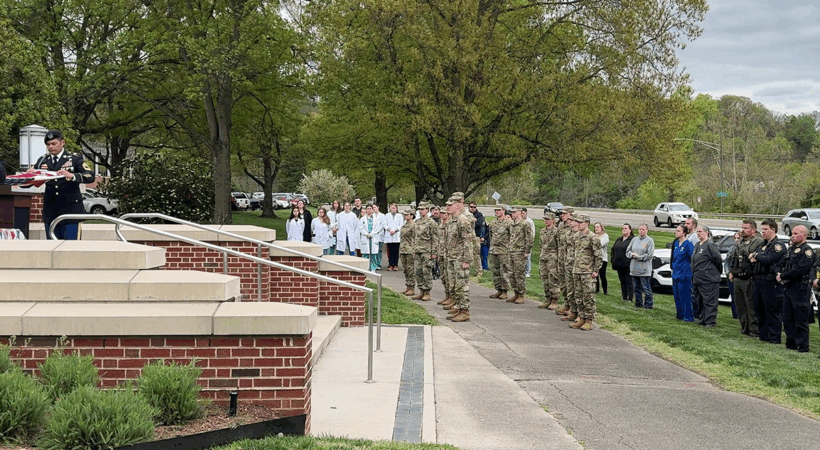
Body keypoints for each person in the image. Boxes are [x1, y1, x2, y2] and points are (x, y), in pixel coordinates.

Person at [27, 129, 94, 240]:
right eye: (48, 144)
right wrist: (29, 176)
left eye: (54, 143)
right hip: (51, 211)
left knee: (70, 247)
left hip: (70, 210)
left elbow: (90, 176)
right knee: (52, 246)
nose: (51, 147)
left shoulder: (74, 159)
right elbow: (29, 183)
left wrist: (72, 176)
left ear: (62, 143)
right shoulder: (42, 160)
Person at [750, 219, 787, 344]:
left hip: (771, 282)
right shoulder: (763, 244)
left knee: (772, 310)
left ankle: (774, 337)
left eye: (766, 229)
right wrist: (757, 255)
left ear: (773, 229)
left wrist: (756, 256)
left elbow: (768, 259)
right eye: (763, 229)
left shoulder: (778, 245)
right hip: (759, 281)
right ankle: (764, 334)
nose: (763, 232)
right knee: (759, 308)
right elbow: (755, 255)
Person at [779, 225, 814, 352]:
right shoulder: (791, 249)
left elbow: (800, 269)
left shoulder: (807, 251)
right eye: (792, 233)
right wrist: (780, 273)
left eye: (795, 233)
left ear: (804, 235)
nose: (792, 235)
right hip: (788, 287)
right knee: (788, 317)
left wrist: (783, 275)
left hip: (800, 288)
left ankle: (803, 345)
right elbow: (784, 264)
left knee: (800, 317)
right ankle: (791, 342)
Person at [729, 220, 764, 337]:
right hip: (738, 276)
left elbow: (753, 258)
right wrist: (731, 271)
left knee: (751, 305)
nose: (743, 230)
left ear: (753, 230)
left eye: (746, 228)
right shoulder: (739, 242)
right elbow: (733, 257)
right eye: (742, 227)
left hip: (749, 278)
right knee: (740, 305)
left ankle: (754, 330)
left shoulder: (758, 241)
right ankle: (744, 328)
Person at [444, 198, 474, 321]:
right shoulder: (452, 221)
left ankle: (465, 311)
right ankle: (459, 307)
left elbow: (468, 241)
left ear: (457, 206)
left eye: (450, 205)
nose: (447, 207)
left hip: (460, 258)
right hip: (452, 257)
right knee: (455, 285)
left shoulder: (463, 221)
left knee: (462, 285)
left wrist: (466, 260)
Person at [571, 213, 602, 331]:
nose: (577, 224)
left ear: (587, 224)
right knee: (578, 296)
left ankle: (589, 320)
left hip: (587, 272)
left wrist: (595, 270)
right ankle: (582, 318)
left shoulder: (593, 238)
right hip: (577, 270)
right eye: (577, 222)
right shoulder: (576, 236)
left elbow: (598, 255)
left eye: (580, 222)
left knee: (588, 296)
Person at [692, 225, 721, 327]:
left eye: (700, 231)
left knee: (709, 301)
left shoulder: (710, 245)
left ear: (707, 232)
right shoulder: (697, 245)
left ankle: (710, 321)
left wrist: (712, 272)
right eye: (697, 232)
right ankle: (702, 319)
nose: (698, 234)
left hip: (708, 279)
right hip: (697, 278)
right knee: (699, 300)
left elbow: (717, 260)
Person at [507, 207, 533, 304]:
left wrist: (527, 251)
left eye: (514, 212)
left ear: (519, 213)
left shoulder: (525, 224)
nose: (512, 214)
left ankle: (521, 294)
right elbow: (510, 236)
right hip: (511, 251)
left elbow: (529, 238)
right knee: (511, 274)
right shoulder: (511, 224)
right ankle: (516, 293)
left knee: (519, 274)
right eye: (512, 212)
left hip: (520, 252)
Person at [626, 224, 655, 309]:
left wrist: (639, 257)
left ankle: (648, 305)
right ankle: (638, 303)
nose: (641, 231)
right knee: (636, 288)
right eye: (640, 229)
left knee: (646, 288)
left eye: (643, 229)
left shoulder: (649, 241)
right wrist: (632, 255)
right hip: (634, 268)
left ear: (647, 230)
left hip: (644, 269)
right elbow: (628, 251)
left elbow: (649, 255)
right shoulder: (634, 240)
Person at [412, 202, 436, 301]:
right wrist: (413, 248)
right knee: (418, 271)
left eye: (422, 209)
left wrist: (434, 252)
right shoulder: (417, 222)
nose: (421, 211)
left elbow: (435, 238)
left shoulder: (431, 222)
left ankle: (427, 292)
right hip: (418, 250)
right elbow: (414, 236)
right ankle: (421, 290)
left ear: (427, 210)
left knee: (426, 271)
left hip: (427, 250)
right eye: (419, 209)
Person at [671, 225, 695, 322]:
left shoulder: (688, 244)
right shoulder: (676, 243)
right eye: (676, 230)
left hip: (684, 274)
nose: (676, 232)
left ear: (684, 233)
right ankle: (679, 314)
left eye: (678, 231)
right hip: (676, 273)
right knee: (677, 296)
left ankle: (688, 316)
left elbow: (692, 258)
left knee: (685, 296)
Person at [488, 205, 511, 300]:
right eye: (496, 210)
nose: (497, 212)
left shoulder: (508, 223)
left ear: (504, 211)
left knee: (504, 271)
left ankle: (505, 290)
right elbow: (490, 235)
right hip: (494, 250)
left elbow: (512, 236)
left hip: (504, 250)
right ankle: (499, 289)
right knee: (495, 270)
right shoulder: (493, 223)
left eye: (499, 210)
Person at [539, 212, 560, 309]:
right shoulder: (543, 231)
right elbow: (540, 244)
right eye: (545, 219)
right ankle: (548, 298)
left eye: (548, 219)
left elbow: (559, 245)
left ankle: (554, 300)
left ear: (553, 220)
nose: (546, 221)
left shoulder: (556, 231)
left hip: (552, 258)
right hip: (543, 257)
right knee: (544, 278)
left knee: (553, 279)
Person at [610, 224, 635, 302]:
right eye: (623, 228)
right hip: (619, 264)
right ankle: (624, 296)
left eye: (626, 228)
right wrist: (613, 260)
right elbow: (613, 249)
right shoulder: (619, 239)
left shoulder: (632, 240)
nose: (624, 230)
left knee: (629, 281)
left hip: (627, 265)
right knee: (622, 281)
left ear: (630, 230)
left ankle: (630, 297)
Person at [358, 204, 382, 271]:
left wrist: (372, 234)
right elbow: (361, 228)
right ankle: (365, 268)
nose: (369, 210)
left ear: (372, 210)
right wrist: (366, 234)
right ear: (366, 210)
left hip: (373, 237)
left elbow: (377, 228)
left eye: (370, 209)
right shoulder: (362, 219)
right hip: (365, 237)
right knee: (365, 254)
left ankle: (373, 268)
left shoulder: (376, 219)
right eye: (367, 209)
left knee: (373, 254)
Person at [399, 209, 416, 296]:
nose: (405, 216)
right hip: (403, 249)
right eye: (404, 215)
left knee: (410, 269)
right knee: (405, 270)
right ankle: (408, 286)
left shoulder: (414, 226)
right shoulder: (404, 225)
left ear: (411, 215)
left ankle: (412, 287)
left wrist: (414, 249)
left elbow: (416, 238)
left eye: (407, 215)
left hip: (410, 250)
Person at [469, 202, 489, 271]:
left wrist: (471, 221)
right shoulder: (466, 214)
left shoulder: (479, 215)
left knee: (476, 254)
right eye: (471, 207)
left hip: (476, 236)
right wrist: (472, 220)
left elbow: (479, 224)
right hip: (467, 237)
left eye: (474, 207)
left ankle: (479, 270)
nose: (473, 208)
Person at [383, 203, 403, 271]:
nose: (393, 209)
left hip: (396, 235)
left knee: (396, 251)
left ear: (396, 209)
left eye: (394, 208)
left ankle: (395, 265)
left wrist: (395, 230)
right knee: (390, 251)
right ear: (390, 209)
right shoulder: (387, 215)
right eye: (392, 208)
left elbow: (401, 225)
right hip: (389, 234)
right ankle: (390, 264)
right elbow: (384, 224)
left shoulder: (400, 216)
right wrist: (389, 230)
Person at [593, 222, 609, 295]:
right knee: (595, 274)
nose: (596, 228)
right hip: (595, 258)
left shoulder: (605, 236)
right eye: (595, 227)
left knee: (602, 275)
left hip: (602, 258)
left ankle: (605, 291)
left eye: (598, 227)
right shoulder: (594, 236)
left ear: (601, 228)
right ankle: (596, 289)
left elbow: (600, 244)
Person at [522, 207, 535, 277]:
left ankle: (528, 271)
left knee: (528, 257)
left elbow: (532, 233)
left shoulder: (529, 221)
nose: (522, 215)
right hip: (521, 241)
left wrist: (530, 241)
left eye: (523, 213)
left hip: (528, 241)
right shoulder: (520, 221)